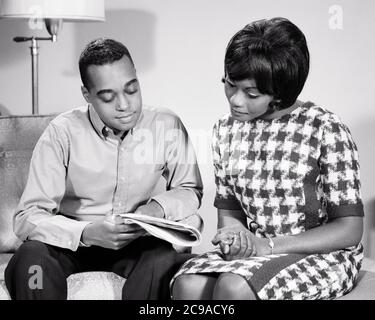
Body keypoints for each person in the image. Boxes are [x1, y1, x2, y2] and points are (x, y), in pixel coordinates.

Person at [171, 17, 364, 300]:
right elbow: (231, 216)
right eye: (229, 84)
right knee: (187, 285)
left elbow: (350, 229)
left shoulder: (324, 128)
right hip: (258, 253)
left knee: (233, 287)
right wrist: (235, 239)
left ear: (279, 93)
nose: (235, 100)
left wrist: (269, 245)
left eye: (251, 93)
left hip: (324, 255)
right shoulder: (225, 129)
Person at [5, 38, 203, 300]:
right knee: (31, 261)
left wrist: (156, 208)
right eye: (108, 97)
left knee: (163, 259)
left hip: (137, 243)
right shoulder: (61, 133)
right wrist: (87, 233)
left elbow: (189, 189)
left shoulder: (166, 125)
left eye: (131, 90)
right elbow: (28, 216)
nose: (124, 105)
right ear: (87, 95)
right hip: (72, 243)